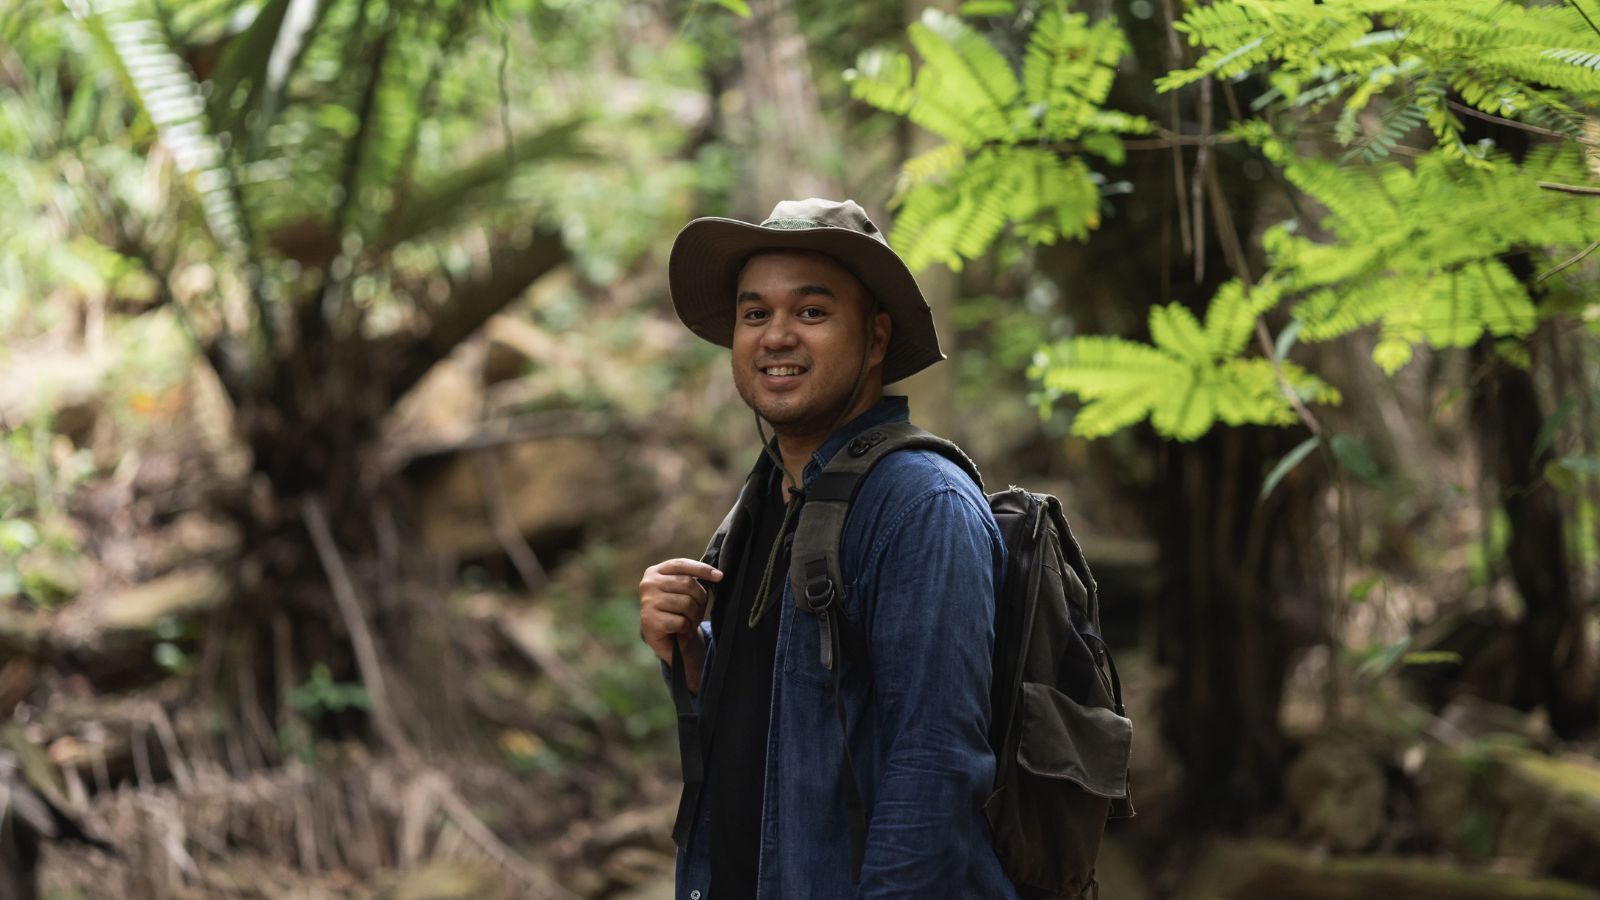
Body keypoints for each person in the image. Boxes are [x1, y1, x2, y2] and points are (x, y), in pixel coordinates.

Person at [638, 198, 1016, 899]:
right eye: (755, 315)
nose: (775, 336)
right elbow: (781, 712)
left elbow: (935, 770)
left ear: (876, 339)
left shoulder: (921, 505)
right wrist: (696, 657)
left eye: (811, 313)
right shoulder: (766, 501)